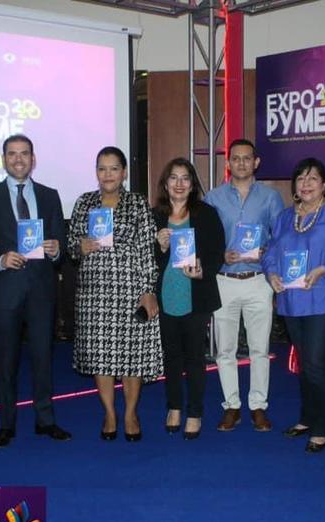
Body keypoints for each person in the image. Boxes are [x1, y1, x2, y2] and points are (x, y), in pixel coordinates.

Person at [0, 134, 70, 448]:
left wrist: (56, 249)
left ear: (33, 159)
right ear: (4, 159)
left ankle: (46, 420)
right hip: (5, 291)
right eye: (12, 154)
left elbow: (61, 242)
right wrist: (0, 259)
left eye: (24, 153)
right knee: (6, 360)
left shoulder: (50, 195)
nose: (18, 159)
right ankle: (7, 424)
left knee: (43, 358)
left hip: (41, 290)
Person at [67, 146, 162, 441]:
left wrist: (148, 289)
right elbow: (71, 246)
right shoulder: (84, 202)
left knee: (131, 356)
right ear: (96, 172)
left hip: (131, 290)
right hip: (94, 294)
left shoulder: (137, 203)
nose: (107, 174)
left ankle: (130, 413)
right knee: (101, 356)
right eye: (102, 168)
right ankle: (109, 413)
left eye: (113, 168)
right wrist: (79, 247)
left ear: (124, 173)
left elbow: (147, 248)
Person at [263, 158, 325, 453]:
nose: (306, 184)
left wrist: (324, 270)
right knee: (304, 363)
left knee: (315, 362)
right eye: (301, 178)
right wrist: (272, 274)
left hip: (324, 298)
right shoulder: (285, 217)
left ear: (324, 184)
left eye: (313, 178)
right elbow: (270, 253)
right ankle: (306, 417)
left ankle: (321, 427)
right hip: (291, 300)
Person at [205, 138, 285, 432]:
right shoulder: (213, 197)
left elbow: (280, 237)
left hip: (258, 281)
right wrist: (219, 256)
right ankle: (231, 406)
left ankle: (258, 406)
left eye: (246, 158)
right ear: (228, 163)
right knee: (224, 350)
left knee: (259, 349)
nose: (241, 163)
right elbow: (206, 240)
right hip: (224, 279)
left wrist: (266, 251)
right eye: (235, 158)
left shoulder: (271, 197)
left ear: (256, 162)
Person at [154, 158, 225, 440]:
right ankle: (173, 407)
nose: (179, 184)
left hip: (196, 294)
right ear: (165, 183)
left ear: (193, 184)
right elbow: (147, 260)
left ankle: (194, 412)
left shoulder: (206, 214)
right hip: (166, 295)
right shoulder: (155, 216)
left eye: (185, 178)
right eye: (174, 178)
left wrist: (203, 271)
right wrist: (160, 247)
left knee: (195, 357)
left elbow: (217, 252)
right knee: (171, 356)